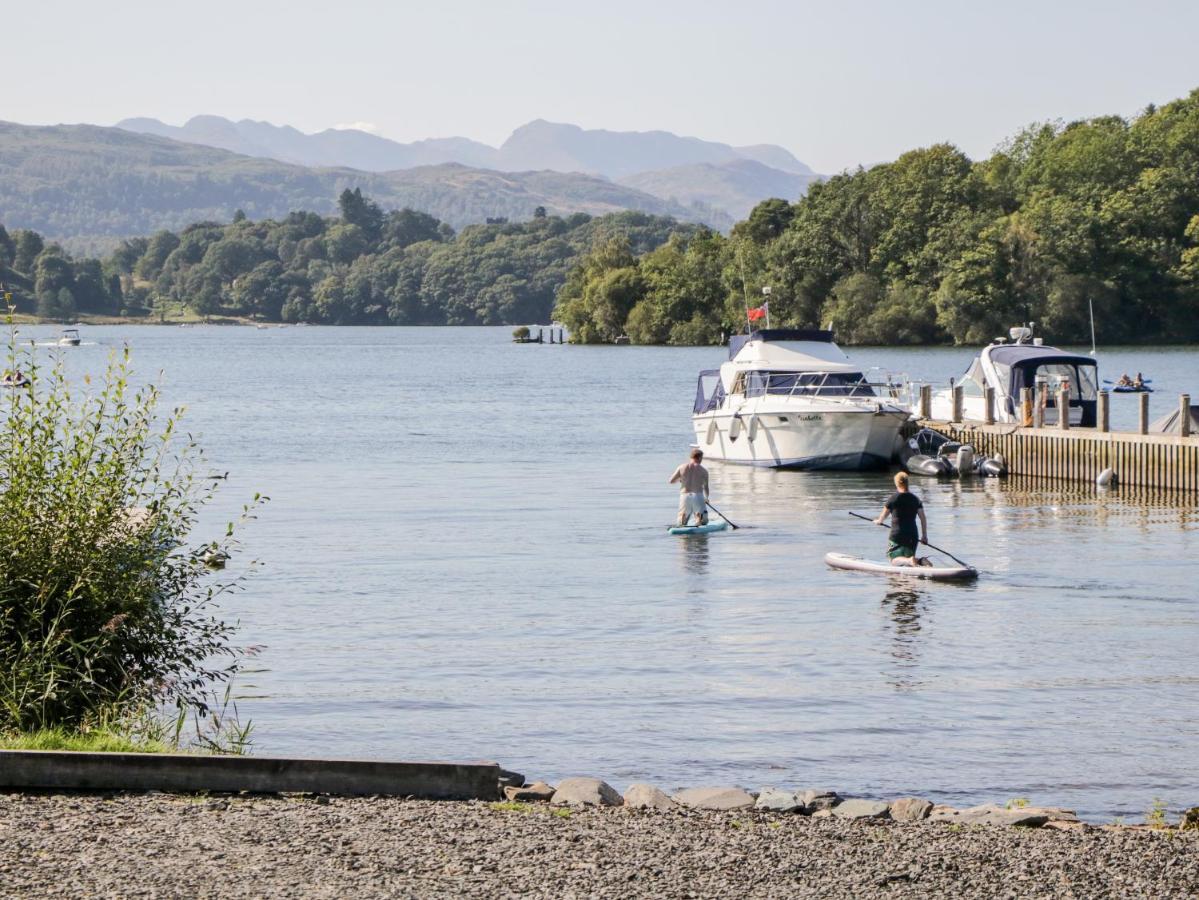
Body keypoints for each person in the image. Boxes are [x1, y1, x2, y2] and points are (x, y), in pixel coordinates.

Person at [874, 471, 929, 567]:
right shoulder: (916, 499)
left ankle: (910, 561)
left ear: (896, 483)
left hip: (897, 535)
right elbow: (923, 518)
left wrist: (878, 521)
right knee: (907, 563)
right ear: (907, 483)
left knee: (894, 560)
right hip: (912, 536)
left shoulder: (893, 499)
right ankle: (921, 561)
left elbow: (882, 518)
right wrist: (924, 536)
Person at [669, 448, 710, 527]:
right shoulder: (703, 470)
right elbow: (706, 487)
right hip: (697, 495)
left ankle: (683, 523)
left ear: (691, 457)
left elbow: (671, 481)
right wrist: (706, 498)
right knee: (703, 520)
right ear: (700, 457)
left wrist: (681, 479)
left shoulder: (681, 467)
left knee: (682, 521)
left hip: (685, 496)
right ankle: (698, 519)